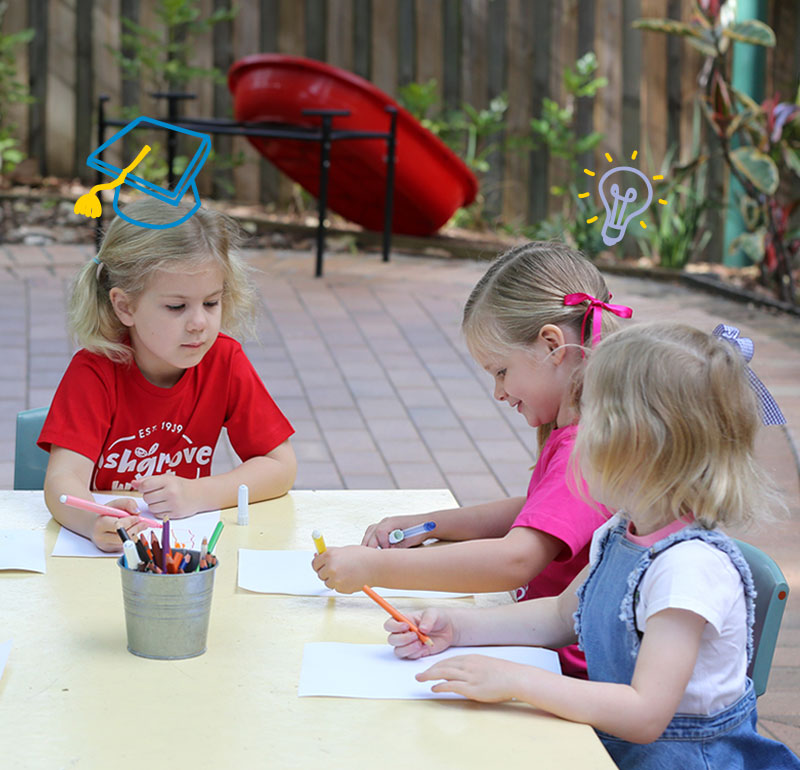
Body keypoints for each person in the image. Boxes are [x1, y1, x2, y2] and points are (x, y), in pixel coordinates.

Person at [388, 321, 800, 769]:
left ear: (641, 444)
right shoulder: (624, 529)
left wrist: (515, 680)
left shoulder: (689, 570)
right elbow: (562, 615)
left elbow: (645, 714)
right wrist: (457, 628)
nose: (576, 435)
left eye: (593, 419)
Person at [313, 242, 632, 677]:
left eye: (501, 371)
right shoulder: (583, 432)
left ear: (553, 346)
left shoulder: (584, 448)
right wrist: (431, 523)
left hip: (564, 671)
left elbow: (515, 560)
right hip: (539, 649)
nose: (499, 392)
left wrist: (375, 567)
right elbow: (540, 512)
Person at [39, 199, 296, 552]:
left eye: (211, 303)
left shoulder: (224, 360)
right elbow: (61, 482)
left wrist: (196, 493)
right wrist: (93, 520)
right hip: (108, 559)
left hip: (182, 554)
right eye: (177, 307)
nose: (199, 323)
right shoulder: (94, 372)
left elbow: (280, 467)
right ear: (124, 306)